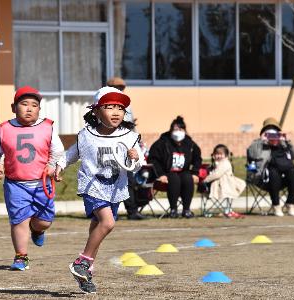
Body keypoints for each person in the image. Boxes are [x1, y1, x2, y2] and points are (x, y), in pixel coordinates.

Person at [55, 86, 143, 293]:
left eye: (120, 108)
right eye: (109, 107)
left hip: (115, 188)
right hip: (92, 185)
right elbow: (71, 154)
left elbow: (138, 162)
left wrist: (135, 157)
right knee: (107, 223)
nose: (116, 112)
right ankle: (82, 262)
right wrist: (58, 166)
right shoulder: (86, 135)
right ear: (96, 111)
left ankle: (86, 271)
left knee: (98, 227)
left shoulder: (129, 136)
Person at [0, 86, 64, 271]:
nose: (29, 108)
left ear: (39, 109)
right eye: (24, 104)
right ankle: (21, 256)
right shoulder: (4, 128)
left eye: (34, 105)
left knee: (44, 221)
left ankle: (37, 230)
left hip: (42, 184)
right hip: (16, 184)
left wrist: (52, 165)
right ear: (14, 107)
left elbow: (58, 150)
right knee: (19, 220)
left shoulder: (47, 127)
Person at [106, 76, 146, 220]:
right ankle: (108, 211)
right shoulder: (103, 103)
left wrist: (136, 140)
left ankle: (132, 210)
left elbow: (131, 125)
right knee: (109, 179)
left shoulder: (127, 104)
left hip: (125, 145)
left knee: (128, 179)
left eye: (122, 88)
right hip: (108, 146)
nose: (121, 90)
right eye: (118, 88)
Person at [147, 116, 202, 218]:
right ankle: (173, 209)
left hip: (183, 172)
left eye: (180, 129)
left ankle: (186, 210)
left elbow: (197, 158)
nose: (178, 132)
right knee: (174, 179)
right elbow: (153, 159)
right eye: (175, 129)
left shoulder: (190, 143)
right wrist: (160, 174)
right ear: (171, 130)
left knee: (187, 178)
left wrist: (195, 172)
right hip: (167, 173)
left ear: (184, 130)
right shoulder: (162, 142)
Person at [247, 117, 294, 217]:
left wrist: (288, 142)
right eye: (269, 134)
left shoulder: (283, 144)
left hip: (284, 177)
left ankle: (290, 203)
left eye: (275, 133)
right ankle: (276, 205)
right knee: (273, 173)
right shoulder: (258, 144)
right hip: (263, 179)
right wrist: (261, 142)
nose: (273, 137)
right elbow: (254, 156)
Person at [203, 144, 246, 218]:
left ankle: (228, 209)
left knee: (228, 194)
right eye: (216, 154)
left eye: (221, 154)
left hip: (226, 184)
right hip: (221, 183)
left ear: (226, 155)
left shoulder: (225, 163)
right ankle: (228, 210)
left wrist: (206, 180)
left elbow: (217, 174)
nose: (218, 156)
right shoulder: (217, 163)